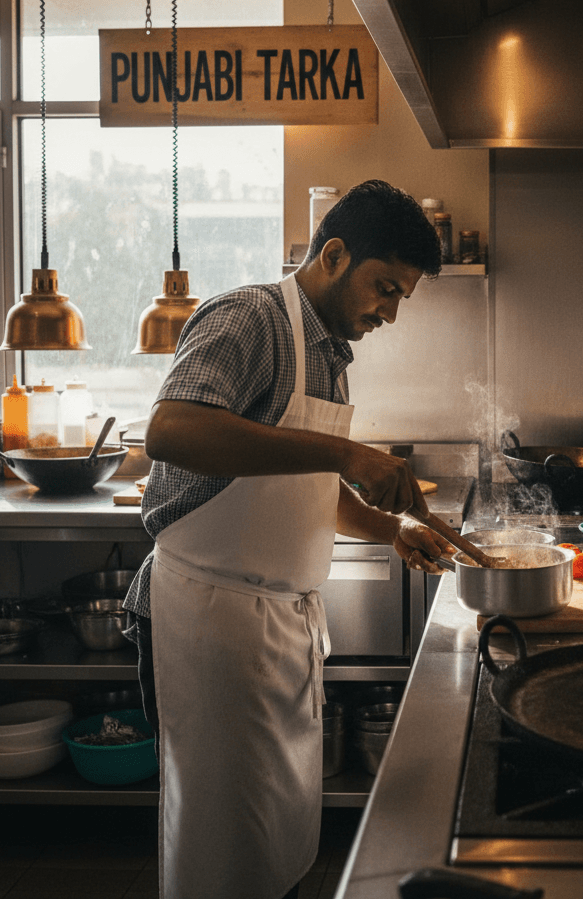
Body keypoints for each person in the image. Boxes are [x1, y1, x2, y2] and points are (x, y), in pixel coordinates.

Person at [122, 179, 449, 899]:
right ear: (334, 255)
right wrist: (347, 454)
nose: (390, 312)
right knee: (220, 846)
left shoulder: (327, 353)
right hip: (208, 623)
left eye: (401, 297)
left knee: (271, 839)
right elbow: (171, 430)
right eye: (385, 288)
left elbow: (302, 489)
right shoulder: (251, 318)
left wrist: (389, 528)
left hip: (276, 627)